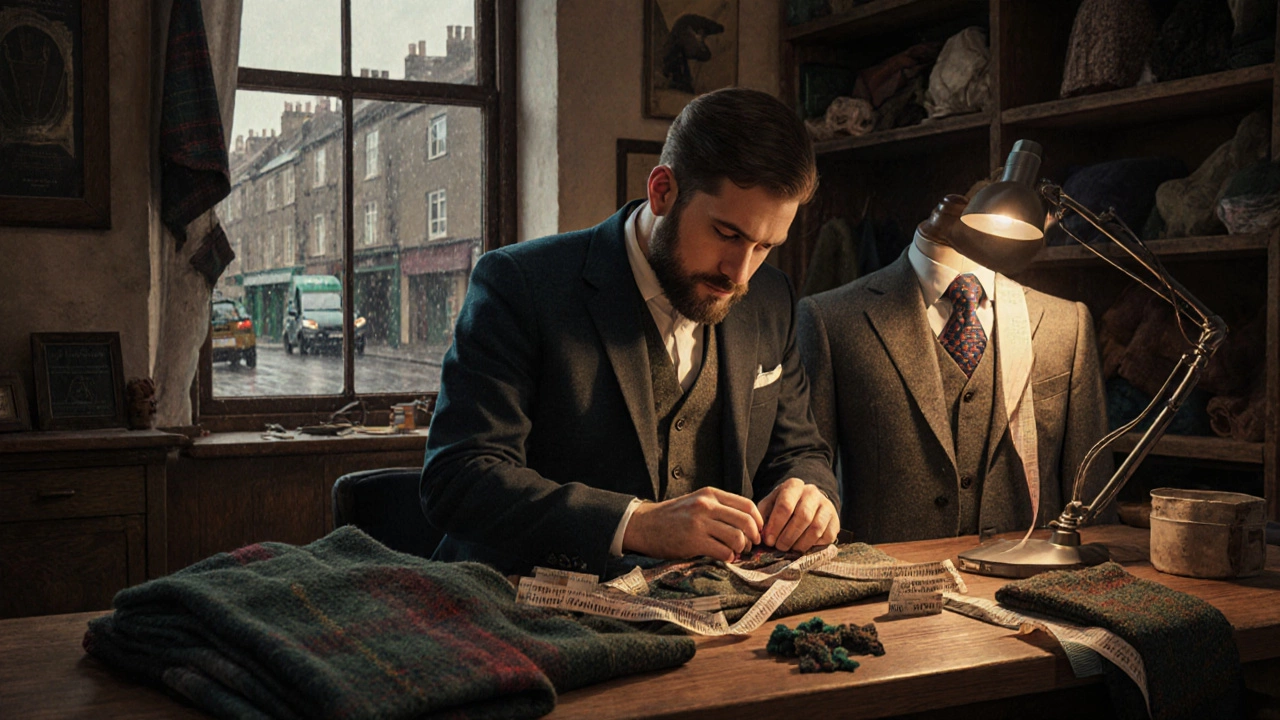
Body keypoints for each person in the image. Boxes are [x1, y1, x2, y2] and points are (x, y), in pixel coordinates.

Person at [421, 87, 840, 576]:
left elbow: (801, 452)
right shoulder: (519, 284)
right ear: (662, 191)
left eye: (765, 246)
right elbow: (459, 480)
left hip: (708, 618)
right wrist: (636, 523)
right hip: (524, 608)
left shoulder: (771, 298)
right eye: (727, 234)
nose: (740, 273)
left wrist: (811, 494)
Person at [796, 195, 1113, 544]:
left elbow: (1092, 495)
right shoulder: (832, 319)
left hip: (1031, 583)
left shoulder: (1066, 325)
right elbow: (809, 473)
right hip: (889, 586)